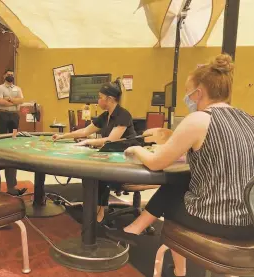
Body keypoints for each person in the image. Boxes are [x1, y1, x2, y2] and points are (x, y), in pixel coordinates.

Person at [108, 54, 254, 277]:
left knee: (175, 184)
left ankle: (169, 261)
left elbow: (157, 163)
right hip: (248, 221)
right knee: (183, 182)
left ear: (199, 93)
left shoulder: (199, 119)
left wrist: (136, 149)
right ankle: (148, 242)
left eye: (188, 91)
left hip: (217, 221)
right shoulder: (248, 119)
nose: (187, 97)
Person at [52, 82, 136, 223]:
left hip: (126, 159)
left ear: (109, 99)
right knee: (91, 171)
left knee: (99, 174)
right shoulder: (105, 116)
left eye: (100, 97)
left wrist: (87, 142)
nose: (98, 101)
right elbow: (85, 131)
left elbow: (111, 140)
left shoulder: (123, 115)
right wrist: (63, 136)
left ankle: (99, 211)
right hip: (111, 155)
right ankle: (93, 205)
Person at [0, 69, 24, 134]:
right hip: (3, 114)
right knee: (2, 135)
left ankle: (14, 144)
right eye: (8, 75)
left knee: (14, 134)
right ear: (4, 76)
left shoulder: (18, 88)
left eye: (12, 75)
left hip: (15, 115)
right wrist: (15, 102)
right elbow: (0, 101)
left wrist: (8, 99)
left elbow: (21, 100)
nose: (10, 76)